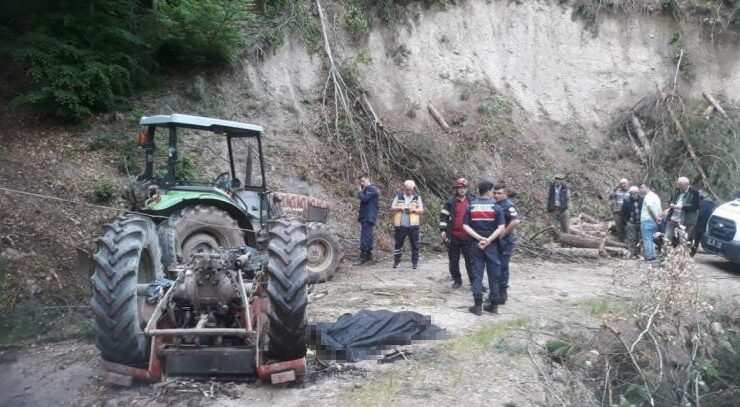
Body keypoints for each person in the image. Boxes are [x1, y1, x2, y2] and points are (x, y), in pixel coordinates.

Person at [463, 181, 505, 316]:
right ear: (488, 192)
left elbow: (465, 226)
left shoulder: (471, 206)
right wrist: (488, 240)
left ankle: (477, 306)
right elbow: (501, 227)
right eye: (493, 191)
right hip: (492, 246)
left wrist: (479, 238)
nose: (494, 194)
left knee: (477, 275)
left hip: (475, 245)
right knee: (494, 276)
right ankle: (493, 306)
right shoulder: (496, 207)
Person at [439, 178, 474, 289]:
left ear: (467, 189)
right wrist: (443, 230)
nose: (462, 190)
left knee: (471, 261)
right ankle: (457, 280)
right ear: (456, 189)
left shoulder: (472, 202)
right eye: (460, 188)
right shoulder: (450, 203)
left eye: (464, 188)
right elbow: (443, 217)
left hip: (468, 237)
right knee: (454, 261)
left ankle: (474, 282)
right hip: (453, 236)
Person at [492, 183, 521, 305]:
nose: (496, 195)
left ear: (505, 194)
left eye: (499, 193)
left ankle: (502, 292)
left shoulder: (508, 205)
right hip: (497, 240)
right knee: (496, 266)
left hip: (505, 240)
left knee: (503, 266)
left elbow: (515, 221)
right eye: (495, 193)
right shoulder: (496, 204)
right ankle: (496, 292)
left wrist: (504, 232)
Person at [391, 180, 424, 269]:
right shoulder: (399, 197)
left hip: (413, 225)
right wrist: (399, 208)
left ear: (413, 189)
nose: (408, 191)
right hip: (401, 225)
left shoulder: (417, 198)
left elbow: (421, 210)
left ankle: (415, 263)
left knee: (415, 245)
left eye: (410, 189)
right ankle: (396, 262)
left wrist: (414, 210)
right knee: (398, 244)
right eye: (407, 189)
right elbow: (392, 208)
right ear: (404, 189)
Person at [353, 174, 380, 266]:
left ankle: (363, 257)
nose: (362, 183)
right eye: (361, 181)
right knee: (368, 236)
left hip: (369, 216)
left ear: (368, 179)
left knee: (365, 236)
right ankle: (368, 256)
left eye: (363, 181)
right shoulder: (368, 190)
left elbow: (364, 199)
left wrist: (360, 191)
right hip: (366, 216)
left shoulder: (372, 189)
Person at [665, 177, 700, 247]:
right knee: (667, 238)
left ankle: (681, 256)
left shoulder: (694, 192)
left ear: (687, 184)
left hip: (686, 221)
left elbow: (696, 206)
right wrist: (671, 204)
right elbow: (671, 200)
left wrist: (682, 207)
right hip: (673, 218)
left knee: (683, 241)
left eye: (681, 186)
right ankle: (666, 254)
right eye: (678, 185)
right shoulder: (677, 190)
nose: (679, 187)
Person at [639, 183, 662, 262]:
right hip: (654, 221)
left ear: (647, 187)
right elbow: (660, 210)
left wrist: (655, 217)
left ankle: (650, 257)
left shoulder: (649, 196)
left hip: (647, 220)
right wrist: (658, 219)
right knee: (652, 239)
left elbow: (649, 207)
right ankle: (653, 256)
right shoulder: (656, 197)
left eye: (642, 187)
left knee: (647, 239)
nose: (640, 189)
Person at [620, 186, 643, 258]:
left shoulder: (642, 200)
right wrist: (626, 222)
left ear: (638, 193)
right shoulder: (626, 201)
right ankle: (632, 253)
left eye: (635, 193)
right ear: (630, 194)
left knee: (640, 238)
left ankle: (639, 253)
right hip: (631, 222)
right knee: (631, 239)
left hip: (641, 222)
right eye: (632, 193)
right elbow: (622, 212)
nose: (634, 195)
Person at [690, 190, 715, 257]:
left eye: (700, 193)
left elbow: (701, 215)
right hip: (703, 225)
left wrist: (695, 223)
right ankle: (691, 253)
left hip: (700, 225)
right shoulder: (709, 203)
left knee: (694, 240)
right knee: (695, 241)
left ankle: (691, 254)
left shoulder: (706, 203)